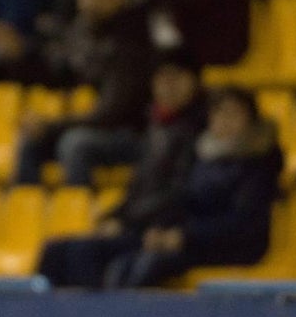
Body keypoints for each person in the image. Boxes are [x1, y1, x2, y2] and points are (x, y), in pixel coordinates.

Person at [37, 47, 209, 288]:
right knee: (55, 251)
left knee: (85, 254)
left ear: (194, 82)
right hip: (139, 223)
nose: (168, 85)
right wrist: (113, 216)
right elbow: (139, 187)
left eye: (176, 77)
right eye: (162, 78)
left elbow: (180, 193)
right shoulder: (157, 127)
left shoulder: (200, 131)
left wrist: (127, 222)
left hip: (161, 229)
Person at [103, 86, 282, 288]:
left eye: (232, 113)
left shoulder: (259, 163)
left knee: (150, 264)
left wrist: (185, 236)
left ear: (251, 120)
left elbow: (243, 221)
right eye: (218, 113)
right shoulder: (202, 156)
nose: (224, 120)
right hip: (195, 241)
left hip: (233, 247)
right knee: (122, 263)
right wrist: (160, 230)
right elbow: (181, 200)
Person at [14, 0, 154, 185]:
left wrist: (50, 126)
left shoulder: (131, 43)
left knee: (75, 145)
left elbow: (111, 114)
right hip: (93, 126)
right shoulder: (81, 31)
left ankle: (81, 216)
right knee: (30, 141)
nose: (90, 2)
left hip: (132, 133)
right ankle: (25, 217)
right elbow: (58, 73)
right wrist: (20, 57)